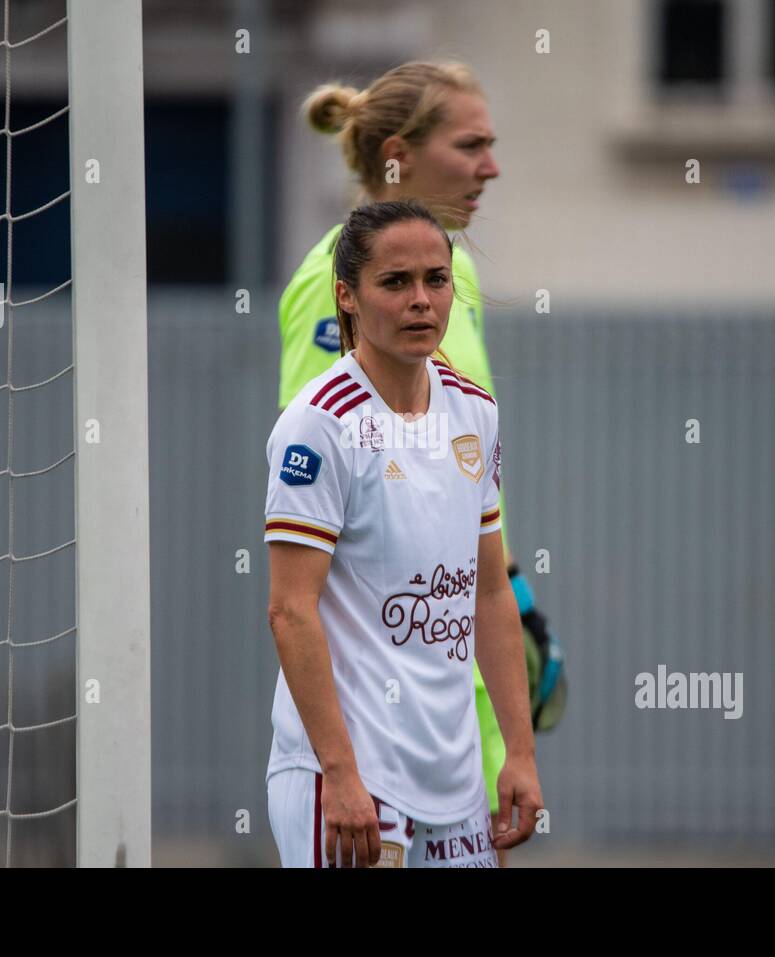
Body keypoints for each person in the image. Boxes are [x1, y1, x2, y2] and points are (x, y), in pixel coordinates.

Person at [276, 61, 565, 862]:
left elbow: (461, 471)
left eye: (431, 280)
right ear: (400, 154)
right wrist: (342, 761)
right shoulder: (328, 282)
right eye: (470, 145)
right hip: (377, 706)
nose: (490, 167)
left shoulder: (457, 275)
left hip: (458, 686)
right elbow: (329, 491)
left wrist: (510, 590)